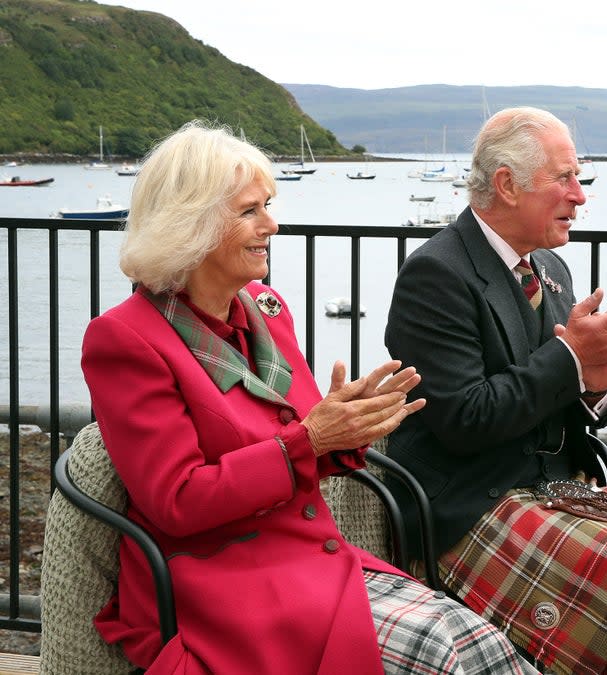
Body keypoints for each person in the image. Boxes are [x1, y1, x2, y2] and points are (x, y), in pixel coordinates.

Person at [80, 120, 539, 675]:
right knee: (444, 654)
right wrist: (312, 438)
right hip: (223, 587)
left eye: (267, 206)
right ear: (191, 224)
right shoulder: (125, 339)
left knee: (482, 645)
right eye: (250, 211)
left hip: (310, 560)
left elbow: (300, 445)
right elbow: (178, 500)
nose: (271, 225)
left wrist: (349, 426)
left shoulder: (265, 310)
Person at [384, 106, 607, 675]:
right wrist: (570, 358)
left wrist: (598, 379)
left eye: (578, 179)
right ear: (508, 185)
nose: (580, 196)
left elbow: (577, 398)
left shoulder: (551, 269)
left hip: (551, 489)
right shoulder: (436, 274)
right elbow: (465, 418)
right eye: (565, 179)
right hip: (466, 504)